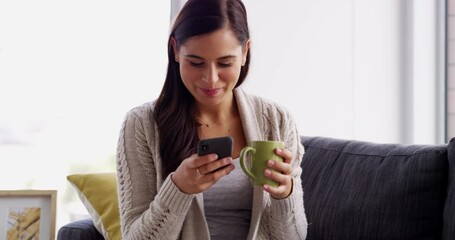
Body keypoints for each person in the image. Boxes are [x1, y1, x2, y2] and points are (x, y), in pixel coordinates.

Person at [115, 0, 308, 239]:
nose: (211, 79)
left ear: (245, 52)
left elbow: (294, 236)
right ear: (175, 50)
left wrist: (284, 194)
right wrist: (178, 189)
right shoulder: (142, 124)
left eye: (225, 63)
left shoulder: (276, 120)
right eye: (196, 63)